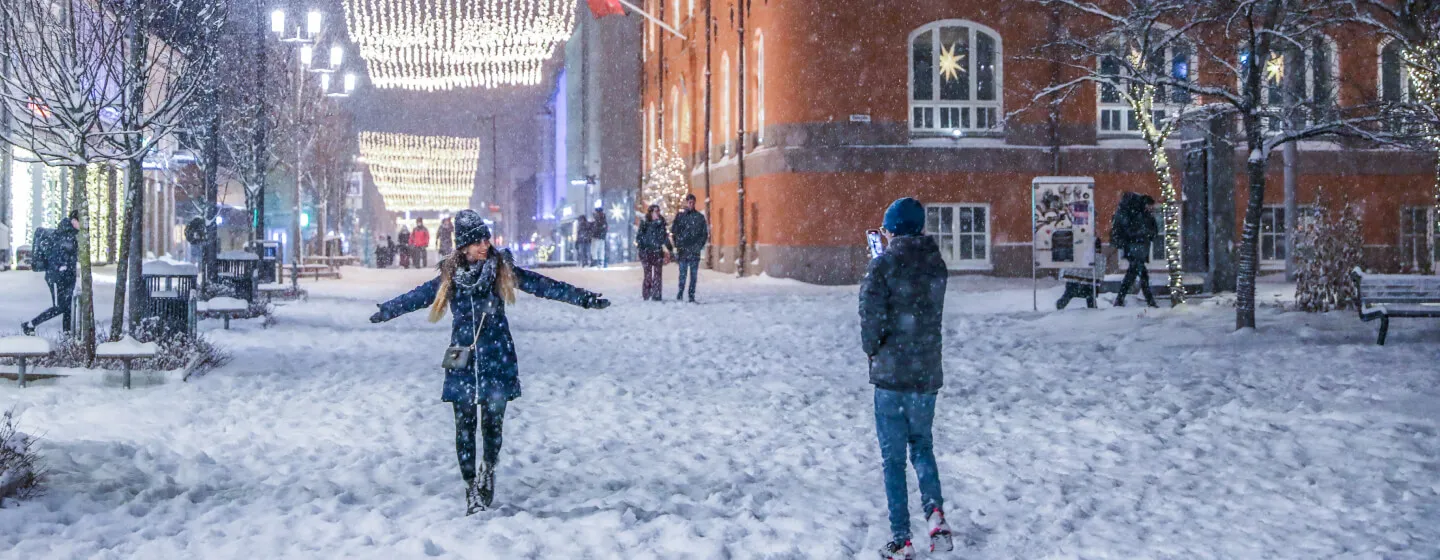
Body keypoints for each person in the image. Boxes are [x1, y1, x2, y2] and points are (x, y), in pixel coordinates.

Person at [368, 209, 611, 515]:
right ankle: (470, 488)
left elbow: (543, 285)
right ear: (464, 246)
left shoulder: (501, 270)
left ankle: (488, 469)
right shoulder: (450, 277)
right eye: (478, 241)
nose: (485, 244)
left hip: (497, 358)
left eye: (486, 238)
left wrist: (584, 298)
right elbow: (418, 297)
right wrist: (387, 310)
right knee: (464, 429)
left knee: (492, 427)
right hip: (463, 362)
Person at [860, 198, 953, 560]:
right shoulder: (935, 264)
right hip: (926, 372)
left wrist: (872, 350)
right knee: (923, 446)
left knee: (893, 459)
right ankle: (935, 513)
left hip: (891, 377)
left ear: (893, 228)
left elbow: (871, 321)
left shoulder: (882, 266)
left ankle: (901, 538)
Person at [22, 212, 80, 336]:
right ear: (74, 220)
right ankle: (30, 324)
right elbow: (56, 257)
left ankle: (67, 335)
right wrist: (60, 268)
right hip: (56, 278)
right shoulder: (62, 235)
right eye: (79, 221)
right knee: (59, 307)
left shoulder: (70, 236)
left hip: (68, 278)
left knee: (67, 307)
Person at [1111, 192, 1159, 307]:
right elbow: (1133, 231)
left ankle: (1120, 299)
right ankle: (1150, 301)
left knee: (1133, 275)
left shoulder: (1142, 214)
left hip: (1137, 249)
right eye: (1150, 205)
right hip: (1136, 249)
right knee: (1142, 275)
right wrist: (1144, 234)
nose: (1151, 208)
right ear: (1146, 204)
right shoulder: (1138, 215)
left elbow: (1152, 231)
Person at [670, 194, 709, 303]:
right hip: (683, 251)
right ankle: (680, 293)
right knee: (682, 274)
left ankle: (691, 295)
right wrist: (677, 244)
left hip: (694, 251)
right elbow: (674, 232)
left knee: (693, 276)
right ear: (686, 203)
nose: (691, 204)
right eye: (689, 202)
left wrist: (698, 246)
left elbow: (704, 234)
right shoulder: (680, 216)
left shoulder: (699, 217)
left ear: (694, 203)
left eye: (692, 202)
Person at [636, 204, 673, 302]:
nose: (658, 213)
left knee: (657, 275)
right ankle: (646, 294)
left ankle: (656, 295)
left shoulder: (661, 223)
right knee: (647, 275)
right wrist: (643, 246)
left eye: (658, 211)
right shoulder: (645, 223)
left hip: (657, 252)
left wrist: (670, 248)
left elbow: (664, 237)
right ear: (651, 212)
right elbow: (639, 237)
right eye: (656, 211)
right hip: (646, 252)